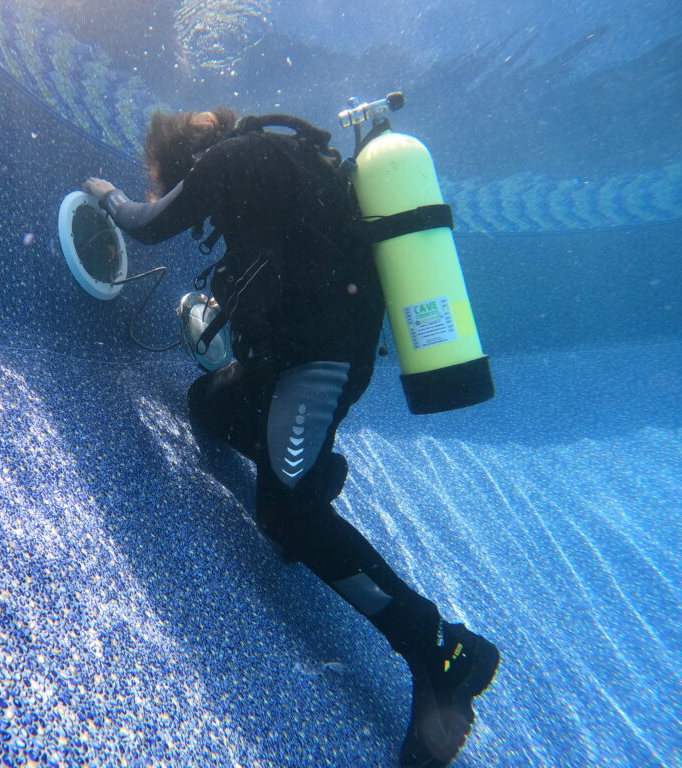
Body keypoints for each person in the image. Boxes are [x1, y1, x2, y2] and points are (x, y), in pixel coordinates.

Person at [83, 108, 500, 768]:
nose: (164, 192)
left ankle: (443, 652)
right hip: (300, 354)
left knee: (285, 515)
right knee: (210, 406)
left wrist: (102, 194)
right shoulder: (278, 161)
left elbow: (149, 223)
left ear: (182, 159)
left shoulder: (231, 161)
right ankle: (309, 473)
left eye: (159, 176)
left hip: (317, 362)